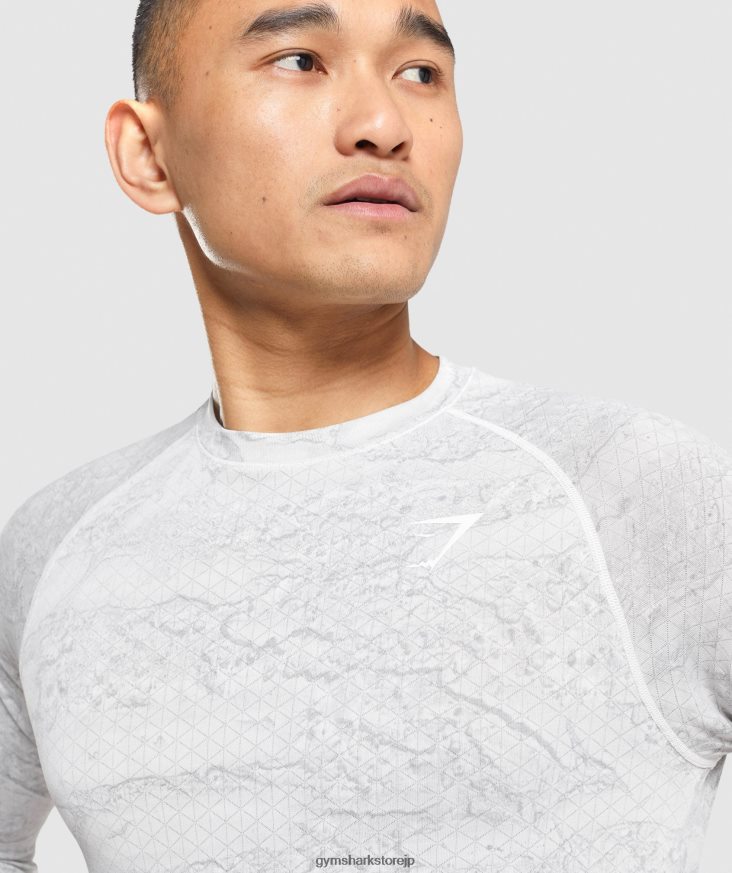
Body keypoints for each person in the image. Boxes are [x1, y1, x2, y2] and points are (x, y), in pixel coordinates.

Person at [1, 0, 731, 870]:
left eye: (420, 73)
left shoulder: (635, 492)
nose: (384, 125)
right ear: (148, 155)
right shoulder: (55, 551)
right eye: (300, 61)